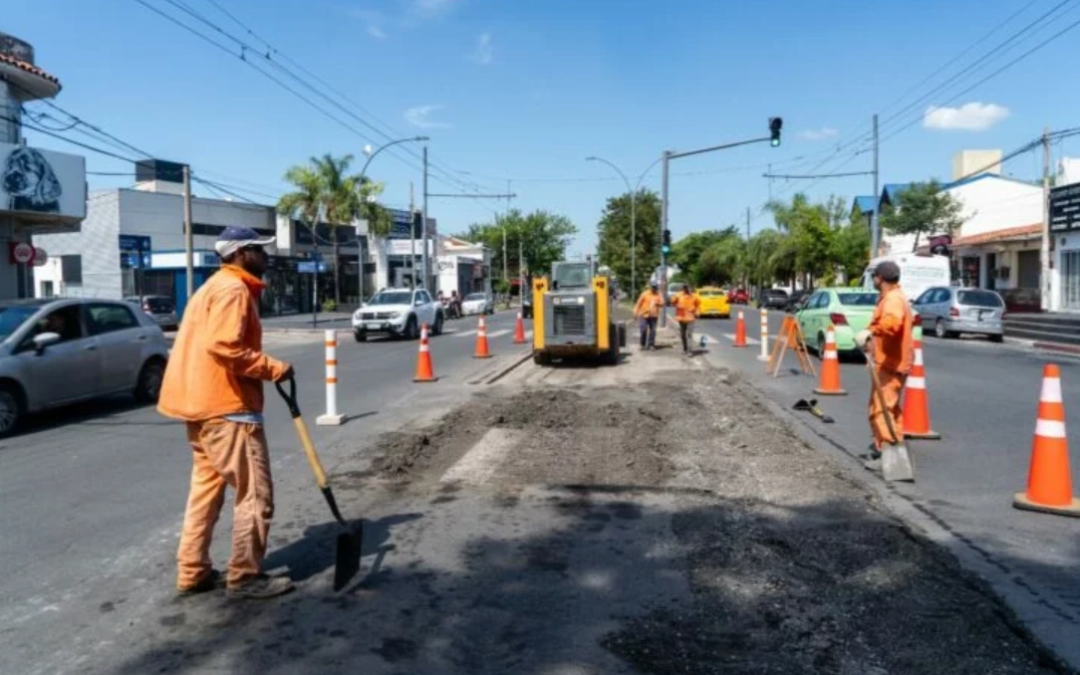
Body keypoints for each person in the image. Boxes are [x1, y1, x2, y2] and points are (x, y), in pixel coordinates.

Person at [158, 226, 295, 600]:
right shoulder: (233, 290)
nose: (265, 257)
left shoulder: (211, 288)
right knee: (255, 494)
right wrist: (273, 368)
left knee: (206, 492)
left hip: (201, 408)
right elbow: (224, 347)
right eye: (258, 250)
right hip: (228, 409)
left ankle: (192, 571)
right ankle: (245, 576)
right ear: (240, 254)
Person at [855, 260, 914, 469]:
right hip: (887, 362)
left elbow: (892, 324)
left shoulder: (893, 300)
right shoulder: (891, 297)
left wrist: (872, 332)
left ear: (880, 278)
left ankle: (888, 454)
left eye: (874, 277)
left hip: (892, 363)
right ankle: (890, 446)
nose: (873, 280)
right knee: (888, 408)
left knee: (881, 410)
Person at [672, 284, 700, 355]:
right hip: (681, 318)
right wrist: (675, 299)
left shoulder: (694, 296)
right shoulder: (679, 295)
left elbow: (698, 305)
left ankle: (690, 350)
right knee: (682, 334)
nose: (687, 289)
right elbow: (672, 302)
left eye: (688, 288)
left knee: (689, 334)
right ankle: (685, 348)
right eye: (685, 288)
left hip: (690, 318)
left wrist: (697, 312)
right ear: (683, 289)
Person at [634, 282, 663, 350]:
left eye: (655, 287)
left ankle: (651, 344)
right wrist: (635, 312)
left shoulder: (658, 294)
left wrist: (657, 303)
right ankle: (642, 344)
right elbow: (638, 303)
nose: (654, 289)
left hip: (654, 315)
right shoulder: (645, 294)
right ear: (650, 287)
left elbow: (662, 303)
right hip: (644, 315)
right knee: (643, 329)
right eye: (653, 287)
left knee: (653, 330)